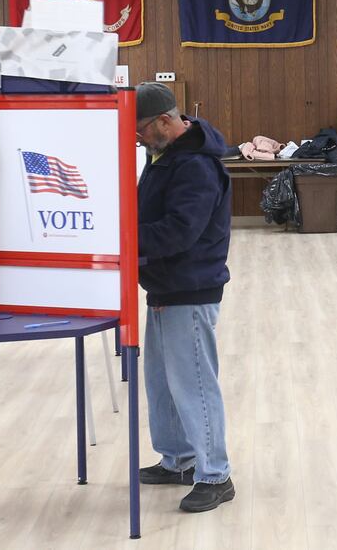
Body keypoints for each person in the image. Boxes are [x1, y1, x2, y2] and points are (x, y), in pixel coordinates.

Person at [135, 82, 235, 513]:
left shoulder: (194, 165)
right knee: (161, 383)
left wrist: (124, 242)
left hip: (189, 287)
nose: (136, 137)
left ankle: (215, 474)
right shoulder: (164, 157)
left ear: (164, 121)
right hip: (165, 284)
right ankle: (178, 460)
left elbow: (180, 231)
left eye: (140, 129)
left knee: (193, 383)